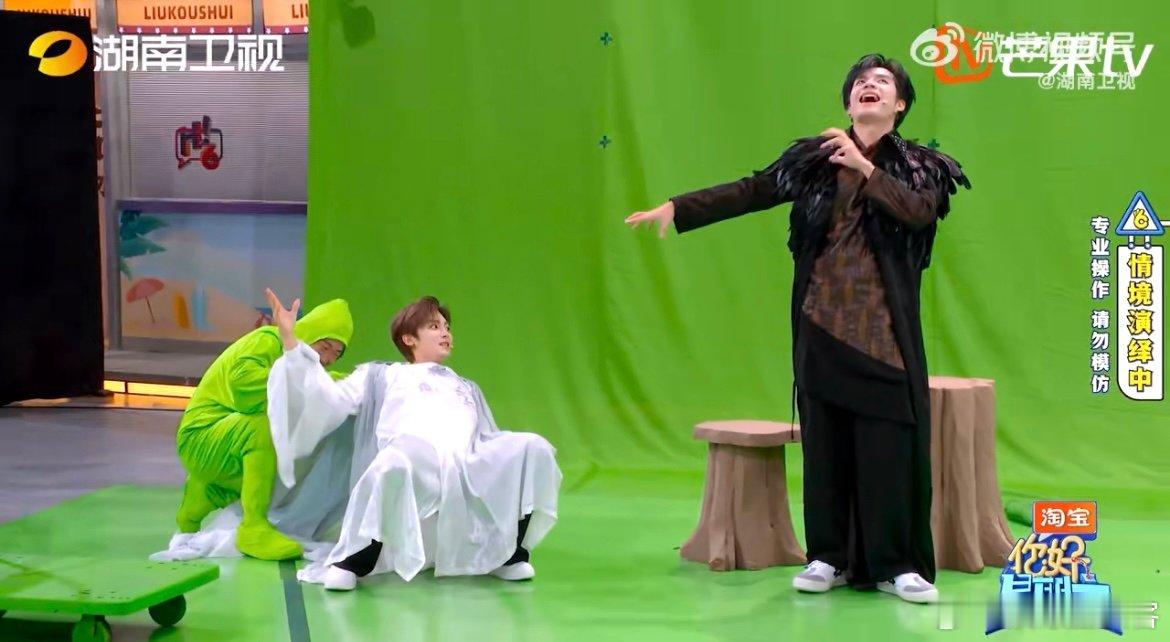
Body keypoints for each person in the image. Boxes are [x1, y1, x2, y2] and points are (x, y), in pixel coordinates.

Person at [624, 54, 970, 604]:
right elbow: (754, 189)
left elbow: (918, 211)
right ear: (849, 103)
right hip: (821, 327)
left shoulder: (921, 166)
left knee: (887, 454)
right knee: (825, 451)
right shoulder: (815, 160)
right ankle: (827, 557)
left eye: (882, 82)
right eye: (860, 83)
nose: (869, 86)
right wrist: (678, 207)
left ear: (900, 104)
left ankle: (896, 565)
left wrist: (865, 168)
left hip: (883, 337)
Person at [265, 290, 562, 591]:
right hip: (418, 460)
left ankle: (507, 554)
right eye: (434, 326)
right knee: (395, 460)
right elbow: (327, 400)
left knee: (532, 447)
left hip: (467, 462)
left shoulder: (465, 386)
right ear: (409, 339)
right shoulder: (381, 376)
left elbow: (485, 435)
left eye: (447, 327)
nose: (445, 333)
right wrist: (291, 342)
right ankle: (355, 561)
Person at [169, 295, 352, 561]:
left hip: (219, 443)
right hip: (201, 437)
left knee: (283, 450)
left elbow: (307, 387)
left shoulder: (305, 367)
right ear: (309, 333)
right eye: (325, 346)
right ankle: (253, 527)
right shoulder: (268, 340)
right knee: (264, 429)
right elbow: (245, 389)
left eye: (337, 353)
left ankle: (190, 516)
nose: (329, 358)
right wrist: (308, 385)